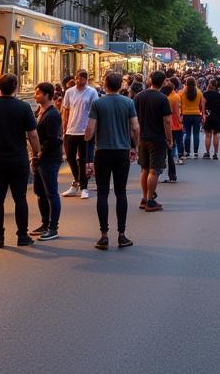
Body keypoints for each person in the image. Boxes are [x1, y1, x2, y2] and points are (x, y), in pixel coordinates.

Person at [0, 73, 41, 247]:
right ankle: (22, 236)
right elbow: (32, 134)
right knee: (20, 198)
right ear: (16, 87)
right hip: (18, 158)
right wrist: (37, 152)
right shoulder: (24, 107)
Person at [86, 72, 139, 249]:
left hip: (103, 152)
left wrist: (88, 142)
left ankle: (104, 235)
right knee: (120, 192)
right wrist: (134, 147)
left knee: (102, 193)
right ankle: (122, 235)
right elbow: (136, 127)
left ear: (106, 84)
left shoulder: (98, 103)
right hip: (122, 151)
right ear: (120, 86)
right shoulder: (128, 103)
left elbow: (90, 130)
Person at [135, 70, 173, 212]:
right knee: (154, 170)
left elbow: (134, 118)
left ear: (150, 80)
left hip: (142, 137)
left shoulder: (139, 96)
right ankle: (151, 200)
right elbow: (167, 121)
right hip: (157, 138)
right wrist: (169, 139)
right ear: (163, 82)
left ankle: (144, 198)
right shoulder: (163, 99)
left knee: (144, 169)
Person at [29, 81, 63, 240]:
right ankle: (44, 224)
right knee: (40, 192)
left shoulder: (53, 114)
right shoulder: (39, 111)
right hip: (39, 158)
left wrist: (40, 154)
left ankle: (53, 228)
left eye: (38, 93)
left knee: (51, 193)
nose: (35, 95)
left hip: (49, 158)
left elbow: (53, 140)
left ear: (47, 95)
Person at [62, 69, 98, 198]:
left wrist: (93, 129)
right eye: (76, 78)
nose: (78, 80)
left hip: (85, 130)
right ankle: (77, 182)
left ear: (86, 79)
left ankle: (84, 187)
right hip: (71, 130)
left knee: (83, 159)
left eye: (81, 78)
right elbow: (65, 110)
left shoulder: (92, 92)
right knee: (70, 157)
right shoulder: (69, 92)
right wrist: (64, 127)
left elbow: (95, 111)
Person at [179, 76, 205, 159]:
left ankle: (187, 152)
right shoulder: (199, 92)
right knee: (196, 134)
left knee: (187, 134)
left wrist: (181, 114)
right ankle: (196, 152)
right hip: (197, 114)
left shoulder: (182, 92)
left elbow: (180, 105)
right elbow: (201, 105)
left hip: (186, 115)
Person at [162, 81, 180, 183]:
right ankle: (172, 175)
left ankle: (159, 169)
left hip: (165, 127)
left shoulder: (164, 99)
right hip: (174, 126)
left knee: (164, 151)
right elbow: (177, 113)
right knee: (170, 151)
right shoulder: (176, 96)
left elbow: (167, 120)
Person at [203, 77, 220, 159]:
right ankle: (215, 153)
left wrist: (204, 115)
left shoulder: (205, 94)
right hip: (217, 116)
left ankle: (207, 152)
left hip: (208, 115)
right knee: (216, 135)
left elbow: (203, 106)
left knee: (208, 135)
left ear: (209, 85)